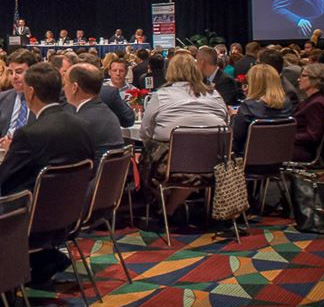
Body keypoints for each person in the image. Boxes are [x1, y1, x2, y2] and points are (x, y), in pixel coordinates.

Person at [0, 63, 93, 282]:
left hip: (33, 221)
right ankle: (44, 260)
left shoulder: (29, 134)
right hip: (71, 214)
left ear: (30, 92)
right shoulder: (83, 125)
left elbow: (2, 181)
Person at [140, 53, 230, 211]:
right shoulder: (214, 94)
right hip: (214, 164)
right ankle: (171, 208)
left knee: (148, 161)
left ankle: (167, 209)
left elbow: (145, 131)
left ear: (170, 71)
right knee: (191, 166)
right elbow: (226, 122)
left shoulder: (161, 95)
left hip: (171, 165)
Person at [65, 64, 125, 167]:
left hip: (87, 180)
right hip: (108, 180)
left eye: (66, 83)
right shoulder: (107, 113)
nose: (64, 88)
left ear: (74, 87)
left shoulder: (80, 122)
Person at [230, 64, 292, 154]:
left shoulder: (248, 107)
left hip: (251, 158)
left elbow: (237, 139)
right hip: (280, 156)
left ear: (254, 83)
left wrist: (233, 117)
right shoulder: (287, 103)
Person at [0, 49, 36, 141]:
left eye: (19, 72)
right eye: (10, 72)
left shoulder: (44, 100)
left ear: (33, 72)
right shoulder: (0, 100)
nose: (14, 77)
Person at [292, 63, 324, 162]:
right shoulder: (313, 100)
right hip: (295, 146)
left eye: (303, 76)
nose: (298, 79)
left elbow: (313, 135)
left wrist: (287, 136)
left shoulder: (317, 103)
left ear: (316, 79)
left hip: (302, 151)